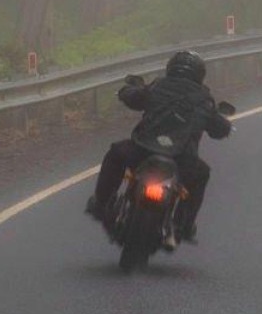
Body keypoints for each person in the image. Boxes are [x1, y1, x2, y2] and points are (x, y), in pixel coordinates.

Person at [87, 50, 233, 242]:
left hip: (143, 150)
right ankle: (184, 224)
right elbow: (219, 130)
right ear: (199, 74)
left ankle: (101, 202)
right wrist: (225, 124)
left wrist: (124, 92)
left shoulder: (158, 86)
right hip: (181, 159)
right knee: (201, 174)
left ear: (171, 67)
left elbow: (133, 98)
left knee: (116, 153)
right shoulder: (204, 100)